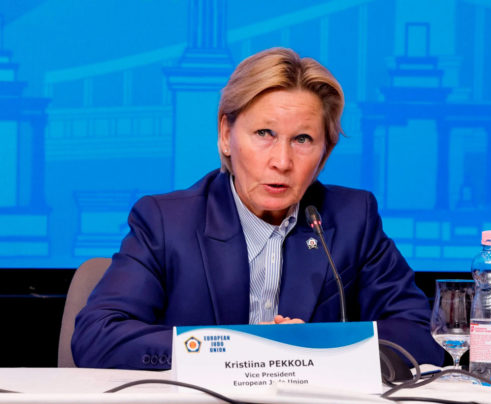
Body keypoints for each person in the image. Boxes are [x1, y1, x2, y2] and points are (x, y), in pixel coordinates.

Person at [72, 47, 444, 369]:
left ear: (325, 153)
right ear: (226, 135)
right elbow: (98, 336)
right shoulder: (165, 222)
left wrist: (320, 349)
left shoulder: (352, 218)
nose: (281, 161)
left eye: (302, 139)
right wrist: (230, 349)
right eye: (264, 134)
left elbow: (420, 334)